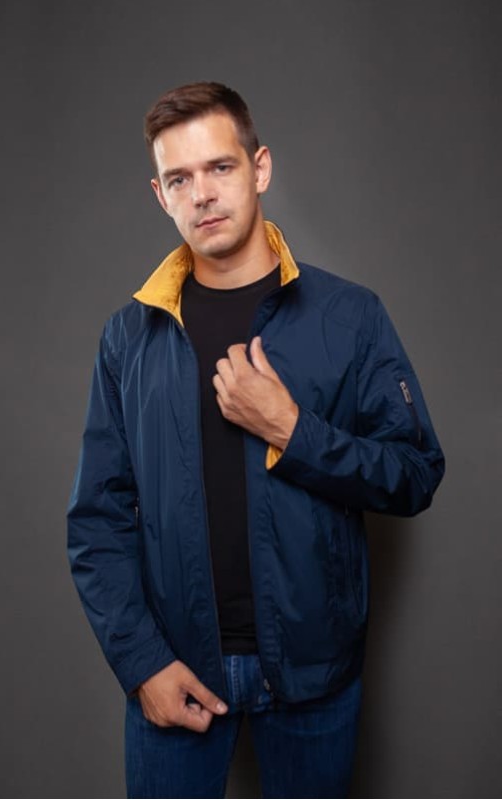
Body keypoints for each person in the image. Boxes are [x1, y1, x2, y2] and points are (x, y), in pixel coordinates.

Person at [67, 81, 445, 799]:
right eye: (180, 178)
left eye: (220, 167)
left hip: (314, 673)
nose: (203, 194)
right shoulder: (129, 337)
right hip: (176, 669)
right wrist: (142, 663)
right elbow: (96, 520)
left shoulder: (350, 317)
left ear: (260, 168)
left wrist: (293, 431)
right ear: (161, 195)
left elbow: (415, 472)